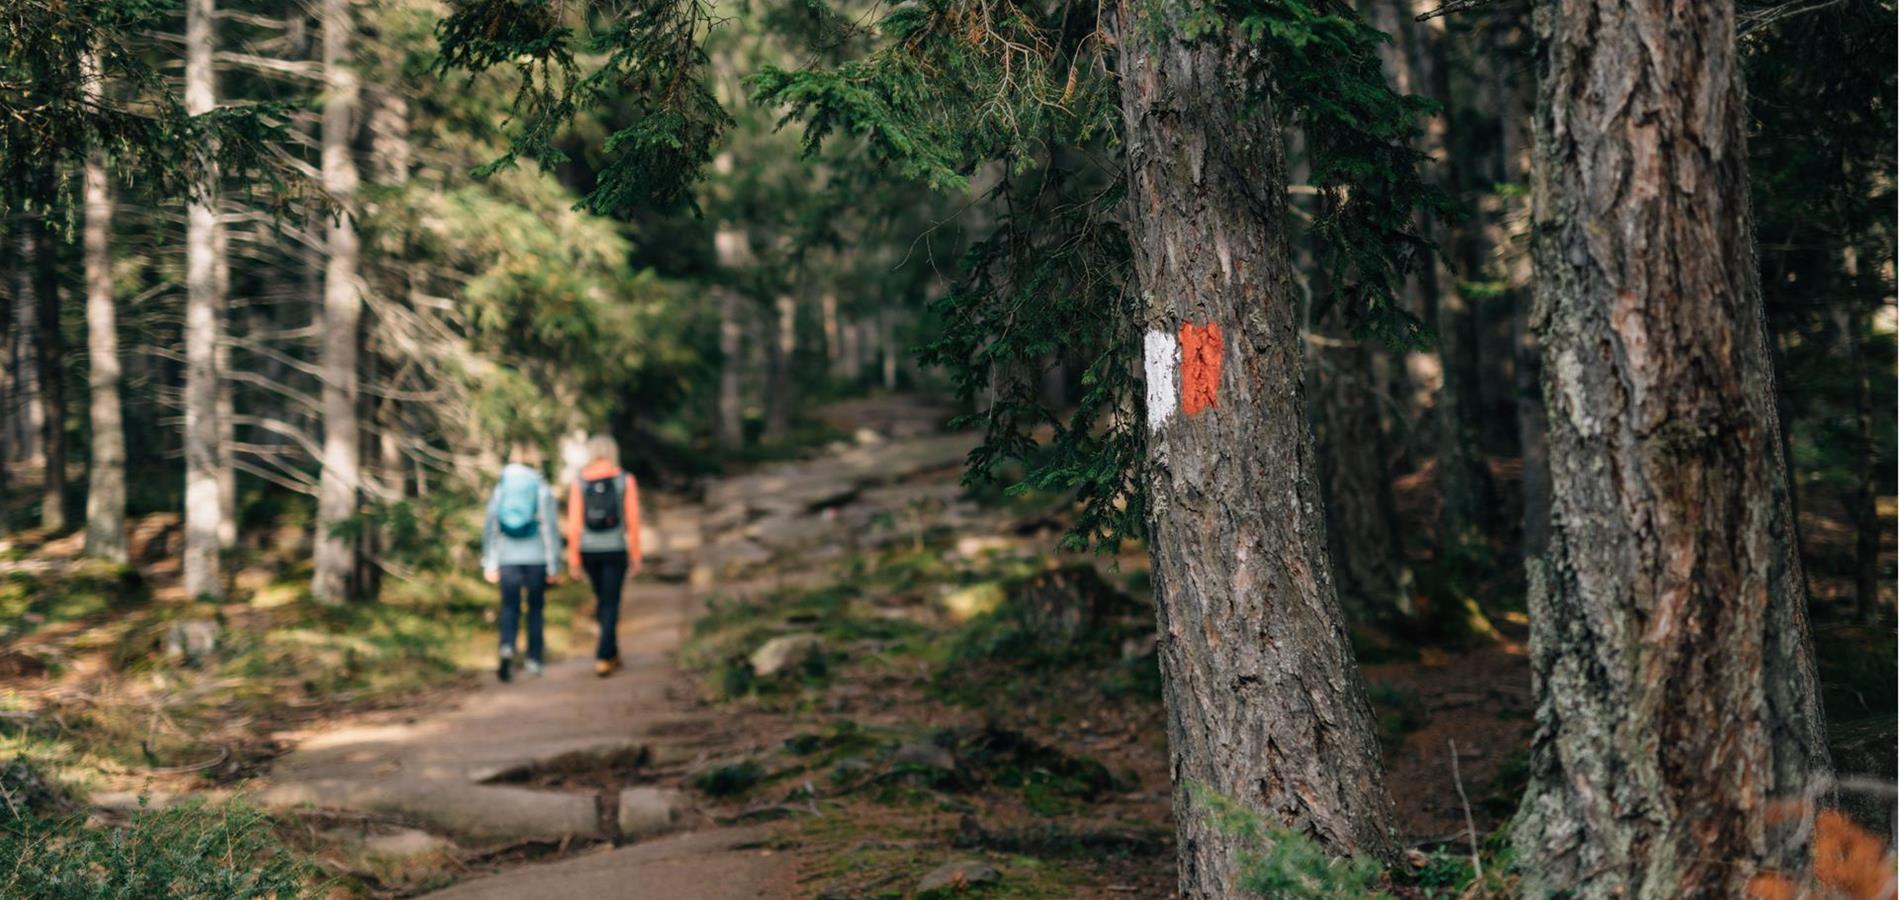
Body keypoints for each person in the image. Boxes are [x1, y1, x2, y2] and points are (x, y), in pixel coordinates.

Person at [481, 443, 561, 682]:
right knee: (535, 609)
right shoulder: (540, 487)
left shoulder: (501, 487)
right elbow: (549, 528)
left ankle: (507, 646)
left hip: (507, 558)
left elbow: (491, 526)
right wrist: (554, 564)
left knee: (509, 608)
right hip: (536, 558)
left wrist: (490, 561)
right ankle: (534, 660)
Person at [563, 434, 642, 677]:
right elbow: (632, 521)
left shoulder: (580, 482)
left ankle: (611, 652)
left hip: (589, 551)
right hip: (615, 549)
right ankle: (604, 654)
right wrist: (636, 555)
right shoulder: (625, 480)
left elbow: (574, 523)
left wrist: (573, 558)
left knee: (602, 600)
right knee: (611, 601)